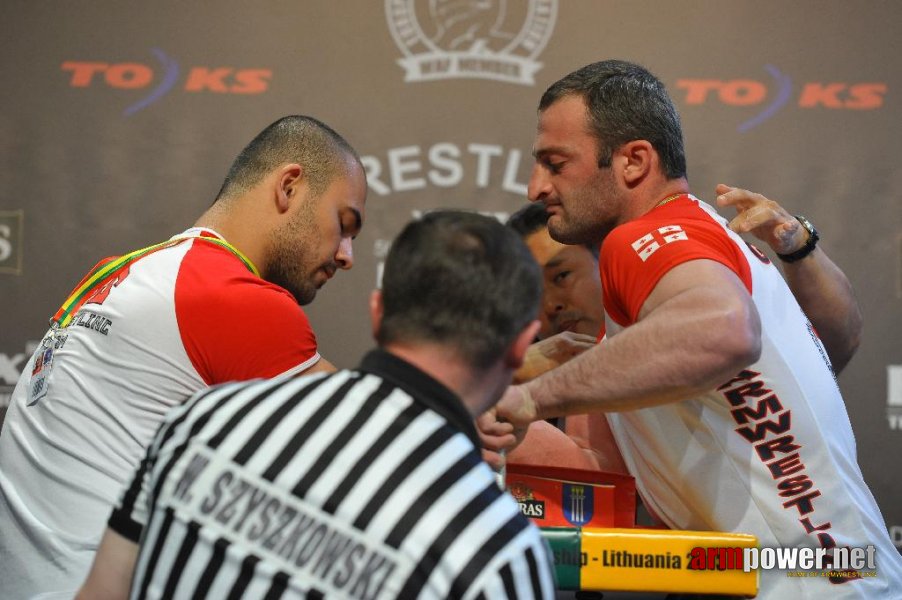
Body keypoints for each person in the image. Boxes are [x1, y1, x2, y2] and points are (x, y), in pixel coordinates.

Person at [494, 59, 902, 597]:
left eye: (555, 163)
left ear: (634, 161)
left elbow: (726, 331)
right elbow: (611, 484)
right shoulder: (700, 233)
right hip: (832, 576)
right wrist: (505, 394)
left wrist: (531, 401)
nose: (535, 186)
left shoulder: (644, 236)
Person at [76, 210, 556, 599]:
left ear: (378, 312)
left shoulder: (205, 420)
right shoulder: (496, 553)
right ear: (520, 347)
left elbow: (100, 593)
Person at [0, 115, 367, 599]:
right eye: (343, 225)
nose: (347, 256)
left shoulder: (121, 272)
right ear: (290, 187)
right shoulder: (229, 295)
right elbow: (383, 446)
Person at [504, 188, 864, 475]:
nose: (549, 303)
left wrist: (800, 247)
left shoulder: (691, 325)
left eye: (561, 276)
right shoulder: (543, 367)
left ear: (608, 260)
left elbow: (833, 349)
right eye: (531, 291)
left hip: (802, 551)